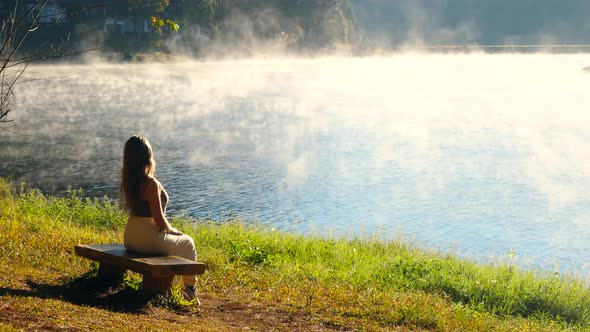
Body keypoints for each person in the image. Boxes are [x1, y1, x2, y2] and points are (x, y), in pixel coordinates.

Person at [120, 135, 199, 303]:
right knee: (188, 242)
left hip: (130, 237)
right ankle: (190, 290)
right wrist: (172, 230)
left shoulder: (128, 180)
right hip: (148, 238)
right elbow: (159, 219)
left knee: (179, 242)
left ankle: (188, 289)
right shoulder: (150, 183)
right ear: (147, 156)